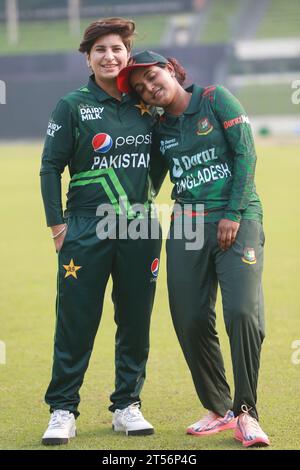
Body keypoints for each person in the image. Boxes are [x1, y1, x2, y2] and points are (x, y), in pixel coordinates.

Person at [117, 50, 270, 448]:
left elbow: (246, 154)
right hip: (187, 224)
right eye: (141, 89)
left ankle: (247, 413)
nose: (150, 89)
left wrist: (233, 214)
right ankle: (219, 409)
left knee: (242, 313)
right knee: (188, 318)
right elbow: (148, 182)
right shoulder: (158, 128)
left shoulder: (216, 98)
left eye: (152, 77)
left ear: (170, 70)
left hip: (237, 217)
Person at [40, 22, 162, 445]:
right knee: (76, 320)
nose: (110, 56)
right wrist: (57, 225)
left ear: (128, 55)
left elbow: (163, 157)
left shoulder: (148, 103)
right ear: (87, 58)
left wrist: (146, 198)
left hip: (141, 226)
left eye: (118, 49)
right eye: (101, 50)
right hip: (85, 226)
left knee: (134, 320)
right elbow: (50, 167)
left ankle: (126, 405)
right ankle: (62, 409)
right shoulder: (72, 105)